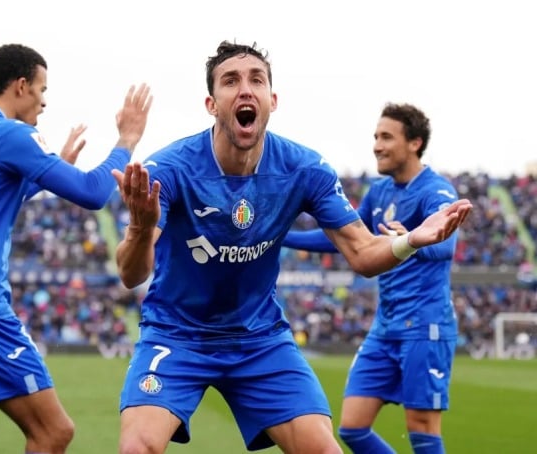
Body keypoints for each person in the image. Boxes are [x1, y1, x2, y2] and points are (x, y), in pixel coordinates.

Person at [111, 40, 471, 454]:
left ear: (272, 99)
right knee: (137, 449)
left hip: (259, 339)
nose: (245, 89)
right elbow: (131, 274)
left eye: (256, 80)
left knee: (327, 450)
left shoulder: (305, 168)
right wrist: (141, 226)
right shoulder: (168, 169)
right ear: (212, 104)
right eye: (231, 81)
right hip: (177, 334)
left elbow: (362, 254)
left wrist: (410, 240)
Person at [0, 43, 152, 454]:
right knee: (53, 432)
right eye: (41, 89)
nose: (44, 101)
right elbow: (92, 191)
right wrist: (126, 139)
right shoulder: (9, 134)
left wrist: (45, 173)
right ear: (20, 86)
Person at [283, 103, 458, 454]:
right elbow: (345, 236)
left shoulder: (435, 191)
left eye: (387, 137)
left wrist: (411, 238)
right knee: (352, 427)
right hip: (385, 327)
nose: (377, 145)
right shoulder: (379, 192)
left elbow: (445, 245)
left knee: (422, 429)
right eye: (376, 136)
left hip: (425, 325)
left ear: (414, 143)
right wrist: (281, 234)